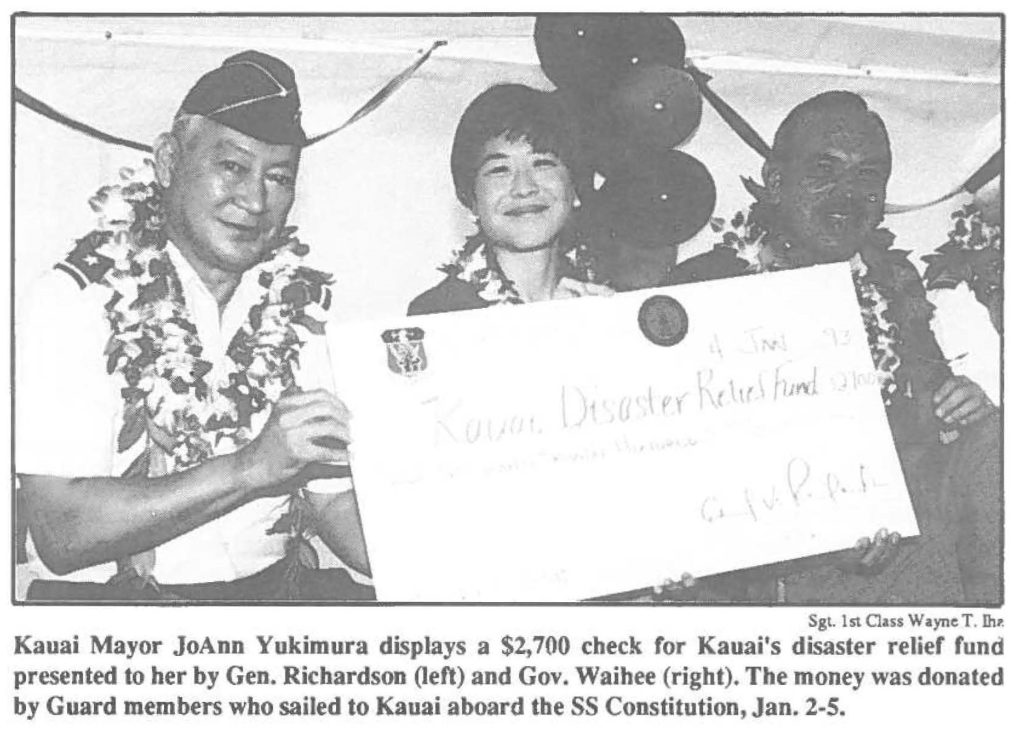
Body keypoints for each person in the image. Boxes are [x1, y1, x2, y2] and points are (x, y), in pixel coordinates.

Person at [16, 51, 372, 601]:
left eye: (278, 177)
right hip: (116, 613)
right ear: (167, 161)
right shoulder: (73, 301)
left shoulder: (301, 306)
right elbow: (63, 531)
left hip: (272, 599)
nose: (255, 200)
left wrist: (454, 545)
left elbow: (331, 501)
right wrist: (251, 467)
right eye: (231, 167)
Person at [660, 90, 1000, 603]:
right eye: (824, 170)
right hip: (788, 559)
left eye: (867, 176)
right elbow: (682, 473)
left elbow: (934, 403)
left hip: (914, 528)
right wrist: (817, 534)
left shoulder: (894, 279)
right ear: (776, 182)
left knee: (999, 437)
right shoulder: (704, 287)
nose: (847, 194)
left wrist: (962, 402)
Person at [408, 84, 612, 316]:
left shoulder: (615, 297)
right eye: (499, 169)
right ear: (472, 198)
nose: (524, 188)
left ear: (575, 188)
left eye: (543, 163)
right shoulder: (437, 314)